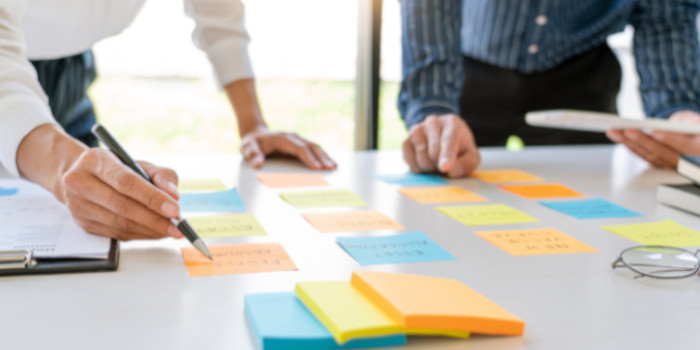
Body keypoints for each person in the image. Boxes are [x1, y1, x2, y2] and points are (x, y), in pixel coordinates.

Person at [0, 0, 335, 241]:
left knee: (82, 221)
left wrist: (253, 125)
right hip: (8, 70)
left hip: (71, 68)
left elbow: (217, 14)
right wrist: (62, 169)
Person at [399, 0, 700, 178]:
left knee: (585, 219)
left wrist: (676, 112)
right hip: (469, 72)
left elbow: (666, 17)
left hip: (581, 75)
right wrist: (433, 106)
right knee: (449, 186)